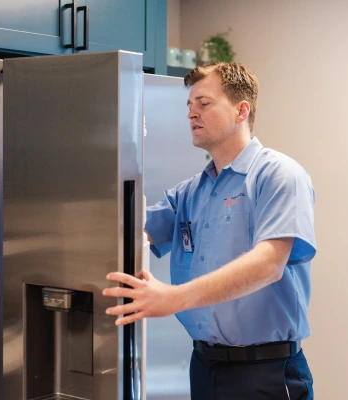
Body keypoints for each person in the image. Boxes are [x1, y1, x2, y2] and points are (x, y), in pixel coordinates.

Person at [102, 62, 316, 399]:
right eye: (189, 106)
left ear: (240, 110)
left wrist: (173, 298)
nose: (192, 114)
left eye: (204, 104)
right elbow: (132, 231)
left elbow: (269, 264)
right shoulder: (191, 192)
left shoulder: (278, 175)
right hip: (203, 367)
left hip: (264, 373)